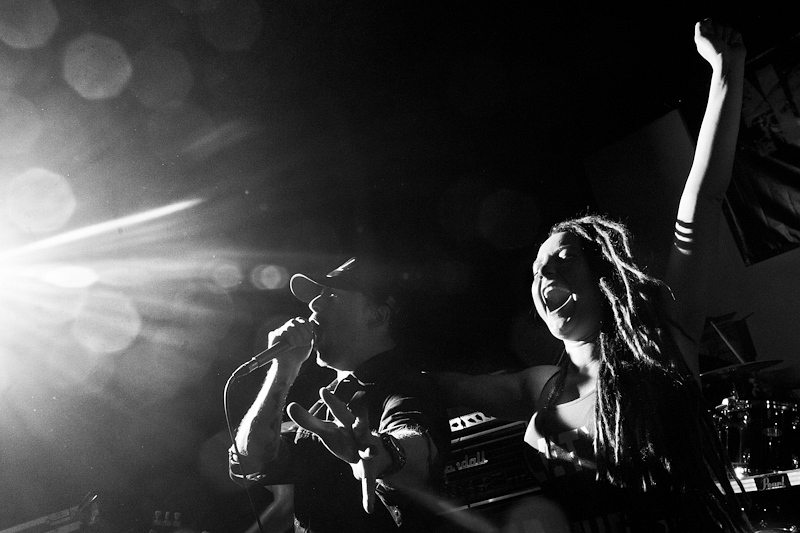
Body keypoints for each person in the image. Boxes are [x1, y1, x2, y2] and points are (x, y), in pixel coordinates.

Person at [435, 19, 753, 532]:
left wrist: (725, 71)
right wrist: (361, 374)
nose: (544, 276)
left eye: (562, 261)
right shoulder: (541, 389)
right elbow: (438, 386)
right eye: (537, 271)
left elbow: (704, 200)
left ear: (604, 276)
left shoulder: (662, 344)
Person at [229, 256, 450, 532]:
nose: (314, 305)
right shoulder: (324, 406)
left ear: (377, 315)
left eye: (331, 295)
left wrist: (386, 453)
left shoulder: (406, 385)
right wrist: (283, 367)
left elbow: (415, 436)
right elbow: (251, 460)